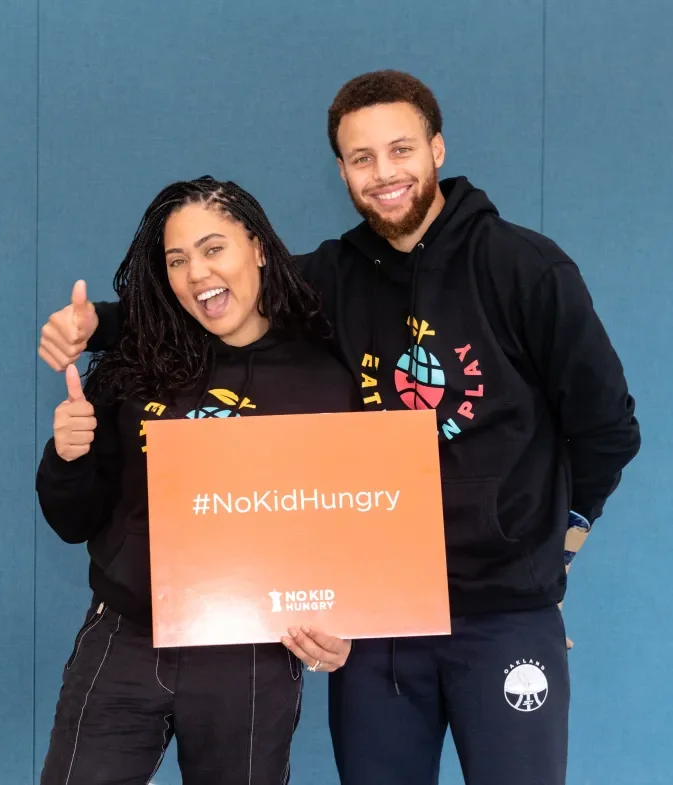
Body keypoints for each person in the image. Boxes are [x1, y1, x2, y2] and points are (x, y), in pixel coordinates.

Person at [38, 71, 641, 785]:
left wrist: (558, 547)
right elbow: (217, 292)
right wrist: (98, 324)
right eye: (362, 158)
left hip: (505, 608)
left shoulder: (525, 268)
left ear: (436, 148)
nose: (384, 173)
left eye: (399, 150)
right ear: (342, 171)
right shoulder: (335, 276)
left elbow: (607, 428)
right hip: (380, 622)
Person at [36, 175, 357, 785]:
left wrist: (346, 623)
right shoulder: (138, 362)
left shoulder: (323, 381)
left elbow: (349, 520)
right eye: (177, 260)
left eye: (214, 249)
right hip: (124, 639)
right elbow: (71, 520)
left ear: (259, 248)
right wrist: (67, 456)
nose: (197, 273)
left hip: (252, 659)